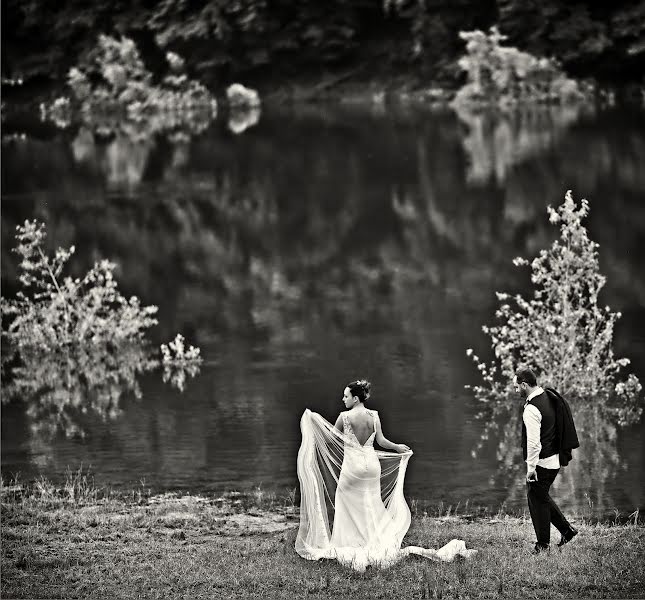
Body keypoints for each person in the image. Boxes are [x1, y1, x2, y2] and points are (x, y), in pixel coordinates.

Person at [295, 378, 476, 571]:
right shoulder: (374, 416)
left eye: (346, 396)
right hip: (372, 466)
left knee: (345, 502)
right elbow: (380, 441)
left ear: (355, 398)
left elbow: (332, 440)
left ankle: (351, 545)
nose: (343, 399)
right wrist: (397, 447)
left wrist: (314, 425)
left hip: (353, 467)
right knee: (371, 503)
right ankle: (374, 542)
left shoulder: (344, 417)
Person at [514, 367, 579, 554]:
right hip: (555, 459)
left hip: (542, 462)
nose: (515, 390)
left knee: (537, 498)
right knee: (540, 496)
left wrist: (531, 468)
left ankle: (542, 545)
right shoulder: (547, 396)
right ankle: (567, 531)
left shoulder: (531, 409)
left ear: (524, 385)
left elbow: (534, 444)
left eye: (516, 387)